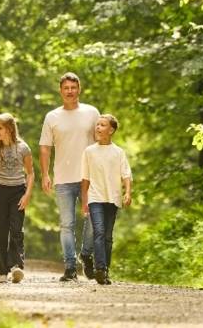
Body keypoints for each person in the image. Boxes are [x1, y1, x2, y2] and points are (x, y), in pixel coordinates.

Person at [39, 72, 101, 281]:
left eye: (73, 88)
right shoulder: (52, 117)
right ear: (60, 91)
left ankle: (86, 253)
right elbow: (45, 148)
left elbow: (101, 141)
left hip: (89, 177)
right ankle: (70, 268)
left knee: (94, 219)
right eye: (66, 88)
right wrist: (45, 174)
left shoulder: (92, 113)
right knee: (67, 224)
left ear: (79, 89)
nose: (70, 91)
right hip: (63, 178)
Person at [80, 114, 133, 285]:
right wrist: (84, 201)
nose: (98, 128)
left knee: (108, 236)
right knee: (99, 232)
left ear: (111, 130)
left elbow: (126, 174)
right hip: (95, 197)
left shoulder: (118, 152)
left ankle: (105, 270)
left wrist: (128, 193)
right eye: (97, 125)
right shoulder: (89, 152)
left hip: (113, 198)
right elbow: (85, 179)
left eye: (102, 125)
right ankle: (100, 269)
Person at [0, 112, 34, 284]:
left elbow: (30, 173)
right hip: (0, 190)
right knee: (0, 231)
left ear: (10, 129)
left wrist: (27, 194)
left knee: (16, 229)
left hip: (17, 191)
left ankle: (16, 267)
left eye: (1, 128)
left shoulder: (23, 148)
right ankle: (2, 271)